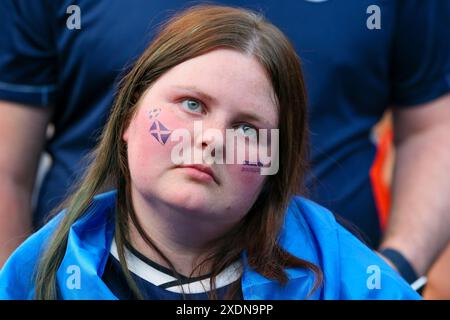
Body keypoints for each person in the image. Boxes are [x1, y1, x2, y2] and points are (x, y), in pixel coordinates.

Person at [0, 1, 449, 294]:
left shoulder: (349, 279)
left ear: (275, 159)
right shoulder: (41, 274)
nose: (212, 138)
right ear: (127, 117)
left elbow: (437, 127)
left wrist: (394, 268)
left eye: (248, 129)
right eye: (191, 104)